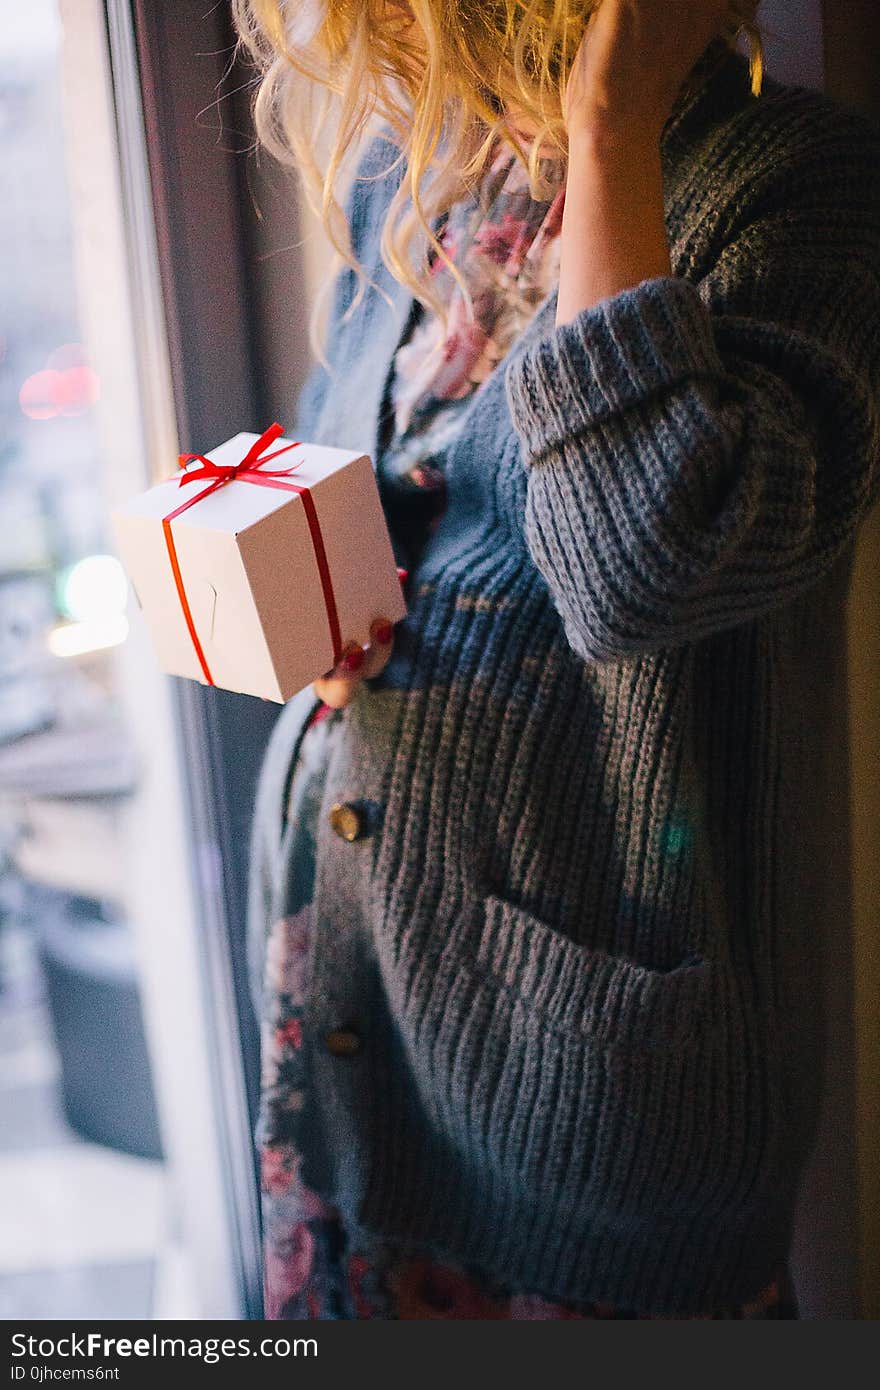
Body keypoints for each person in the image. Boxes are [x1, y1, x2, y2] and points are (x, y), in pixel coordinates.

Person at [238, 0, 880, 1319]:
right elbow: (360, 467)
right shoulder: (410, 172)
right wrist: (310, 590)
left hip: (577, 1091)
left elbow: (641, 563)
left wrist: (608, 125)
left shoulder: (794, 187)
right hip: (355, 975)